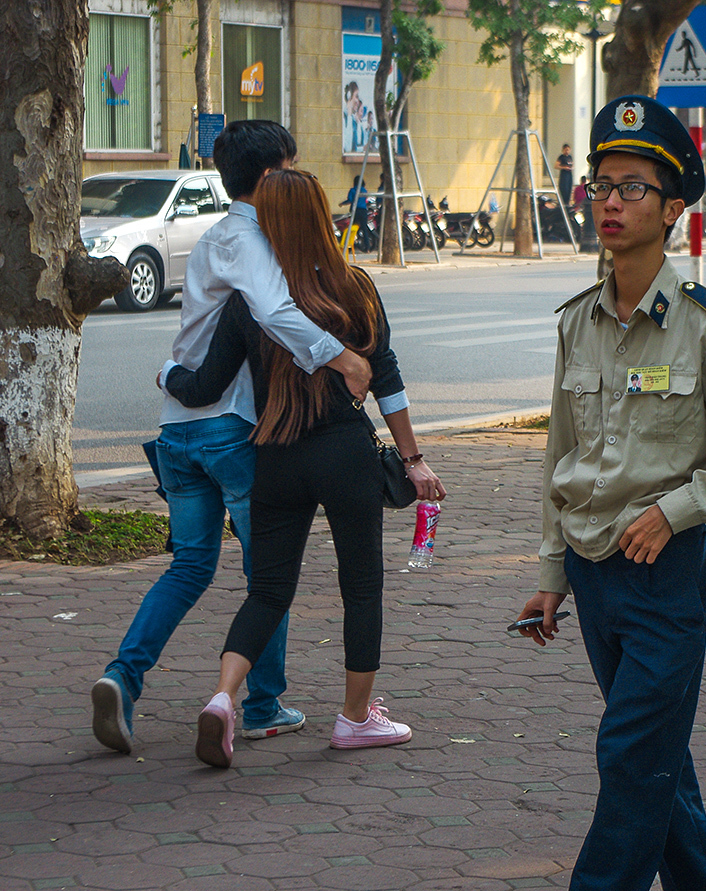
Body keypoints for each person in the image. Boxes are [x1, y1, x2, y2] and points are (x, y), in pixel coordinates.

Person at [515, 95, 706, 891]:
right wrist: (551, 572)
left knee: (630, 752)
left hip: (664, 578)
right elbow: (560, 453)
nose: (609, 200)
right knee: (658, 760)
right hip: (595, 576)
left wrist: (677, 511)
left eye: (632, 187)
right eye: (602, 183)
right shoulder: (577, 322)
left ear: (672, 209)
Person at [91, 121, 372, 755]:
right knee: (266, 577)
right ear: (274, 174)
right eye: (293, 164)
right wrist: (342, 358)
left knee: (189, 565)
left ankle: (122, 676)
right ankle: (264, 705)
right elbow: (273, 313)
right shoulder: (251, 241)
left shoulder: (216, 235)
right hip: (230, 427)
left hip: (178, 427)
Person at [162, 169, 445, 770]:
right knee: (361, 586)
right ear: (323, 218)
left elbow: (205, 384)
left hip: (276, 454)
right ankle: (356, 718)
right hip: (346, 455)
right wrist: (414, 460)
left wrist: (167, 376)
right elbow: (387, 378)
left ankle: (222, 698)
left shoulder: (250, 305)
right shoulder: (356, 287)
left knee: (267, 589)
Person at [556, 143, 574, 209]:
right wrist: (564, 167)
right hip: (564, 175)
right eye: (566, 150)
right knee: (564, 189)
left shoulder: (570, 157)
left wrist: (571, 168)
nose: (567, 151)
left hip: (569, 175)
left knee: (569, 189)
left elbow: (572, 164)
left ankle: (567, 203)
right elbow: (556, 166)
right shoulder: (561, 157)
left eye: (568, 150)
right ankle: (562, 203)